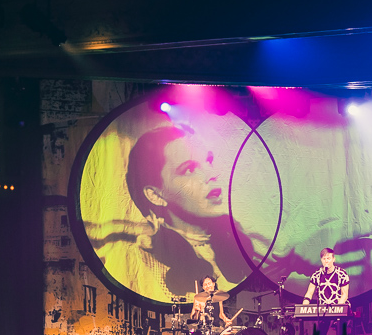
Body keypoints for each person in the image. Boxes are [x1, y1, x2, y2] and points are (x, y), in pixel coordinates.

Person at [97, 124, 255, 300]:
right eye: (189, 169)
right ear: (155, 195)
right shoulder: (141, 262)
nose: (212, 174)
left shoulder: (246, 244)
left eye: (209, 161)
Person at [301, 248, 350, 335]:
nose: (326, 261)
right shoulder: (317, 275)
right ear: (321, 260)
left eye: (328, 258)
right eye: (324, 259)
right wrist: (304, 306)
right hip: (324, 309)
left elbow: (344, 294)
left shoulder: (341, 273)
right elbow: (309, 292)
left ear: (333, 259)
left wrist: (337, 309)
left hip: (339, 307)